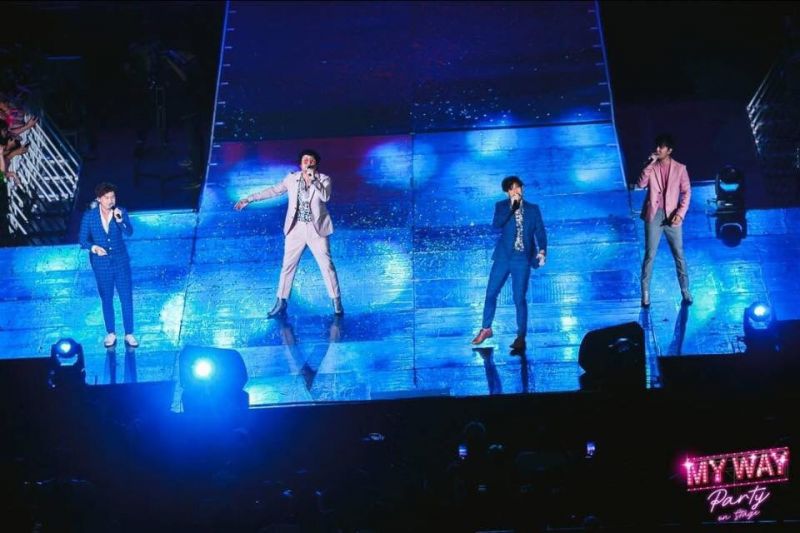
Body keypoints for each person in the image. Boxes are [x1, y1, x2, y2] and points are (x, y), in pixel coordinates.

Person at [235, 149, 343, 317]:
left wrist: (314, 180)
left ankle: (336, 301)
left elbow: (325, 197)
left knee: (327, 265)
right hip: (295, 229)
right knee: (287, 266)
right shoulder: (292, 179)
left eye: (311, 160)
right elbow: (273, 190)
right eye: (305, 160)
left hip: (317, 230)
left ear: (316, 164)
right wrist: (249, 199)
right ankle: (281, 301)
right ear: (300, 164)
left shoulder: (323, 179)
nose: (308, 163)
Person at [472, 176, 547, 352]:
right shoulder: (501, 206)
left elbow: (540, 232)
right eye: (511, 189)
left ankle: (520, 337)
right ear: (507, 192)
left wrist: (542, 251)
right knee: (491, 293)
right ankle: (486, 329)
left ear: (522, 188)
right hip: (503, 257)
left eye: (518, 187)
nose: (516, 191)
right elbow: (497, 225)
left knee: (519, 298)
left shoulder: (533, 209)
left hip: (522, 259)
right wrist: (512, 208)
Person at [78, 182, 138, 347]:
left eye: (113, 197)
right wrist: (94, 248)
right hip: (101, 264)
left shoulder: (121, 212)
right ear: (99, 199)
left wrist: (120, 220)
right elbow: (82, 240)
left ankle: (129, 333)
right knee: (107, 298)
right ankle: (111, 333)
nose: (111, 200)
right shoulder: (90, 216)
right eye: (107, 197)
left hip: (120, 262)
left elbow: (129, 232)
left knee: (126, 298)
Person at [636, 133, 692, 307]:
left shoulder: (680, 169)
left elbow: (686, 193)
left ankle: (685, 290)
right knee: (650, 255)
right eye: (657, 146)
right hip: (654, 215)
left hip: (673, 216)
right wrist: (649, 165)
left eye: (662, 147)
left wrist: (680, 214)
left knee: (679, 254)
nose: (658, 149)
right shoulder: (651, 166)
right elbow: (640, 184)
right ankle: (645, 293)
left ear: (669, 150)